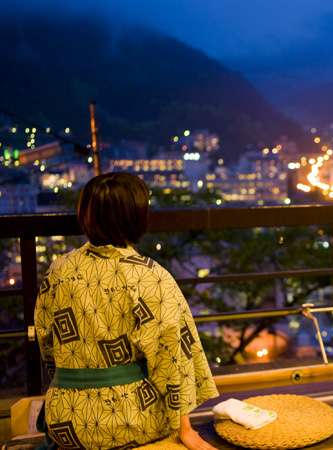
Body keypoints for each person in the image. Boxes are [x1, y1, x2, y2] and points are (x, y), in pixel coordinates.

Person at [34, 172, 219, 449]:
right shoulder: (149, 276)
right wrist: (186, 430)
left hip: (64, 418)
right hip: (129, 420)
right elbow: (172, 359)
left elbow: (46, 343)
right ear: (137, 217)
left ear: (86, 214)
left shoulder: (59, 269)